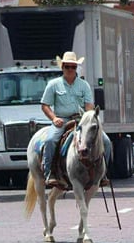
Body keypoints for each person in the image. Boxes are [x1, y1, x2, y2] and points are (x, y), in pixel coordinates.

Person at [40, 51, 112, 188]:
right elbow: (45, 105)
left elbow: (89, 105)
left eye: (73, 67)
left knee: (107, 142)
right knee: (50, 141)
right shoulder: (53, 84)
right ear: (62, 67)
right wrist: (54, 118)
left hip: (81, 119)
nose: (70, 69)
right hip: (62, 120)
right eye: (67, 66)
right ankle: (50, 173)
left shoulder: (84, 85)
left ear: (76, 68)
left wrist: (87, 117)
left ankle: (103, 174)